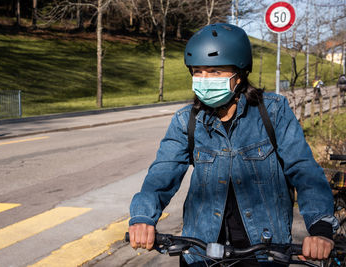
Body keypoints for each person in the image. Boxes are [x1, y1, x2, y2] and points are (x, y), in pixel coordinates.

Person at [128, 23, 338, 266]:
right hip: (200, 251)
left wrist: (321, 229)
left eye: (215, 72)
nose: (204, 80)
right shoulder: (186, 120)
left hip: (263, 251)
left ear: (239, 74)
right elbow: (162, 174)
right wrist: (143, 218)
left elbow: (304, 170)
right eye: (197, 71)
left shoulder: (273, 111)